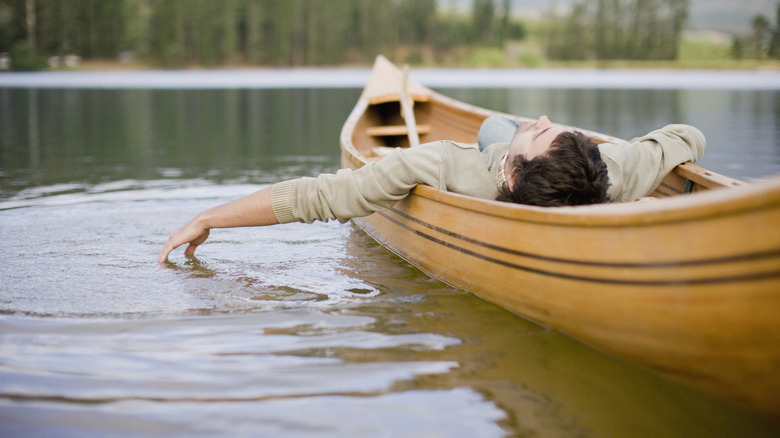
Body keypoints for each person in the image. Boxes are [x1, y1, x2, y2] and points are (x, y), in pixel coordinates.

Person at [158, 115, 705, 263]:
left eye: (540, 130)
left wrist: (208, 216)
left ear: (512, 178)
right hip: (578, 159)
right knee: (503, 126)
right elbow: (688, 136)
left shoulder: (436, 162)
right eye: (546, 123)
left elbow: (320, 197)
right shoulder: (617, 169)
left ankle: (504, 130)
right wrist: (599, 148)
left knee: (498, 126)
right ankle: (526, 133)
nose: (538, 117)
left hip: (493, 151)